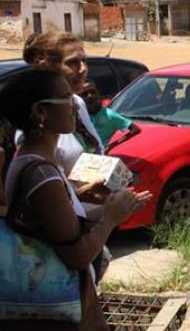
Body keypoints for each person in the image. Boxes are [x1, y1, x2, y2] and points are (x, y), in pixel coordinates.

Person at [0, 69, 151, 330]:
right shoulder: (43, 175)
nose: (75, 105)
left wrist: (95, 204)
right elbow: (77, 255)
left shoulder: (31, 159)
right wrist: (110, 219)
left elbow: (48, 225)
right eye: (66, 98)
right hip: (59, 306)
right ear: (40, 112)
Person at [22, 32, 103, 174]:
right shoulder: (37, 116)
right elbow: (40, 179)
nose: (83, 68)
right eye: (72, 62)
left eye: (84, 60)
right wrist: (81, 194)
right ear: (49, 67)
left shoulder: (78, 102)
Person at [80, 79, 140, 150]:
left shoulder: (109, 115)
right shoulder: (80, 115)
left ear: (98, 93)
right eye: (85, 94)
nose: (89, 96)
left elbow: (135, 129)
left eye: (92, 92)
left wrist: (113, 145)